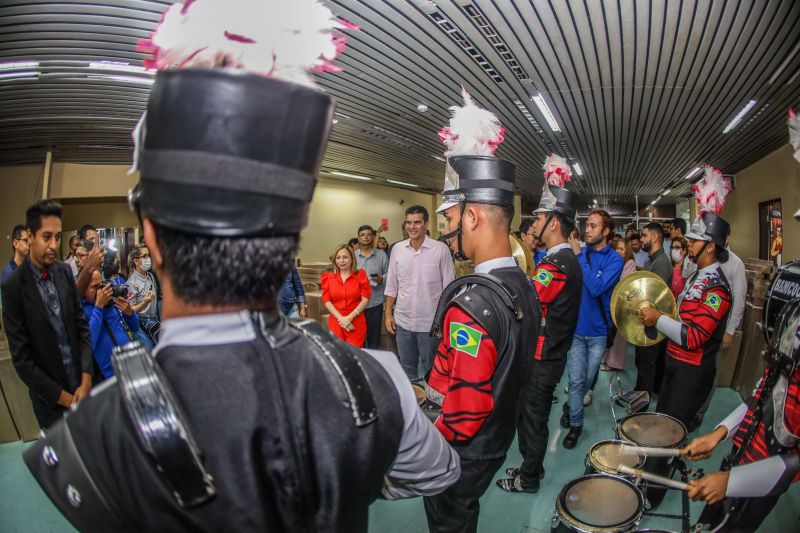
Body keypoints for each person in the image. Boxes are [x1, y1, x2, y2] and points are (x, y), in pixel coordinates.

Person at [23, 6, 460, 531]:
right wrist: (357, 474)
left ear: (154, 240)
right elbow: (438, 471)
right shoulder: (376, 379)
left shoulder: (96, 434)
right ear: (289, 241)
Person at [423, 90, 539, 531]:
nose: (448, 232)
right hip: (498, 438)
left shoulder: (470, 304)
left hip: (465, 449)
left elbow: (467, 407)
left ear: (471, 218)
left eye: (450, 222)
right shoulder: (523, 285)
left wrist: (425, 445)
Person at [497, 154, 581, 494]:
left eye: (540, 219)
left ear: (555, 224)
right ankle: (532, 466)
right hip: (547, 357)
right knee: (529, 417)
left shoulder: (556, 265)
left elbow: (525, 301)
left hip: (542, 360)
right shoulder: (558, 260)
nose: (534, 225)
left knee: (532, 420)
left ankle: (529, 477)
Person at [682, 312, 799, 532]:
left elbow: (794, 462)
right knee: (706, 524)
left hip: (762, 479)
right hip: (737, 458)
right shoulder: (794, 314)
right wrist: (719, 434)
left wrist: (732, 482)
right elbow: (762, 396)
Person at [639, 166, 733, 430]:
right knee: (663, 424)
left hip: (691, 372)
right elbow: (680, 317)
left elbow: (693, 337)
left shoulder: (717, 290)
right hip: (674, 362)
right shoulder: (696, 277)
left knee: (672, 431)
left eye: (693, 241)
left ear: (711, 246)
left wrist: (657, 318)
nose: (687, 245)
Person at [1, 200, 93, 428]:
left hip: (83, 387)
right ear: (30, 237)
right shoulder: (13, 286)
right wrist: (65, 398)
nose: (54, 244)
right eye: (47, 237)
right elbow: (22, 360)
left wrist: (87, 377)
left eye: (58, 237)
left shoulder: (63, 272)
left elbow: (81, 329)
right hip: (52, 404)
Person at [561, 209, 623, 449]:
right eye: (587, 225)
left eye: (593, 226)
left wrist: (578, 257)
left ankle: (571, 405)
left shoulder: (614, 260)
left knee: (587, 380)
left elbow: (596, 288)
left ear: (606, 231)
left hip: (598, 332)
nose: (587, 230)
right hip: (576, 329)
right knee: (576, 381)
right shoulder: (581, 253)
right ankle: (576, 425)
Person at [384, 205, 455, 380]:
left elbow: (449, 289)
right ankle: (413, 405)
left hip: (430, 324)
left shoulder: (440, 250)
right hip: (403, 322)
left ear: (426, 224)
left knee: (433, 371)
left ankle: (432, 406)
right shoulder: (398, 250)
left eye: (417, 222)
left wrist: (444, 322)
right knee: (407, 370)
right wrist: (388, 314)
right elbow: (392, 284)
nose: (412, 227)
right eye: (408, 223)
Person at [633, 222, 672, 397]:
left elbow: (653, 296)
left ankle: (641, 401)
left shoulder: (662, 262)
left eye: (644, 235)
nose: (642, 239)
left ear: (655, 238)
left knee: (647, 363)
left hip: (653, 322)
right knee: (643, 361)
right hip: (647, 320)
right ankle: (643, 392)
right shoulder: (651, 260)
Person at [81, 269, 139, 379]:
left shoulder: (111, 300)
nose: (101, 290)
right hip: (112, 373)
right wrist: (99, 307)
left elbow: (135, 327)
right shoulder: (82, 311)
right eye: (95, 287)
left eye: (101, 285)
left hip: (134, 360)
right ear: (83, 289)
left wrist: (130, 314)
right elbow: (88, 344)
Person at [322, 244, 371, 348]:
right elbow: (327, 301)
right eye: (338, 257)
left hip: (355, 321)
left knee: (355, 355)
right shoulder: (328, 277)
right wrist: (342, 319)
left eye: (345, 257)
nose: (341, 261)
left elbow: (365, 298)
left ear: (352, 258)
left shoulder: (360, 275)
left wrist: (349, 318)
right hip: (336, 321)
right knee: (338, 354)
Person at [602, 238, 636, 371]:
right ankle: (606, 360)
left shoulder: (630, 263)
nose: (619, 251)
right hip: (612, 302)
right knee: (611, 334)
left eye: (622, 249)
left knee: (619, 338)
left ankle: (614, 364)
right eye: (618, 248)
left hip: (623, 305)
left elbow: (623, 282)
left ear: (627, 252)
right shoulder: (614, 262)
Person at [355, 224, 389, 348]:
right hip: (356, 303)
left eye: (369, 234)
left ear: (373, 237)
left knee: (374, 337)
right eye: (363, 235)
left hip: (375, 303)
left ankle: (373, 363)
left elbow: (389, 274)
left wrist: (381, 279)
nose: (366, 237)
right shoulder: (353, 256)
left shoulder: (381, 255)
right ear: (358, 238)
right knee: (358, 338)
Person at [126, 244, 159, 350]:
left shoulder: (150, 276)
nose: (148, 259)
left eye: (148, 255)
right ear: (136, 261)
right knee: (149, 350)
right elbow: (130, 310)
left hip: (153, 320)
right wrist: (145, 302)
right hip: (140, 325)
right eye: (144, 256)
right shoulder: (132, 283)